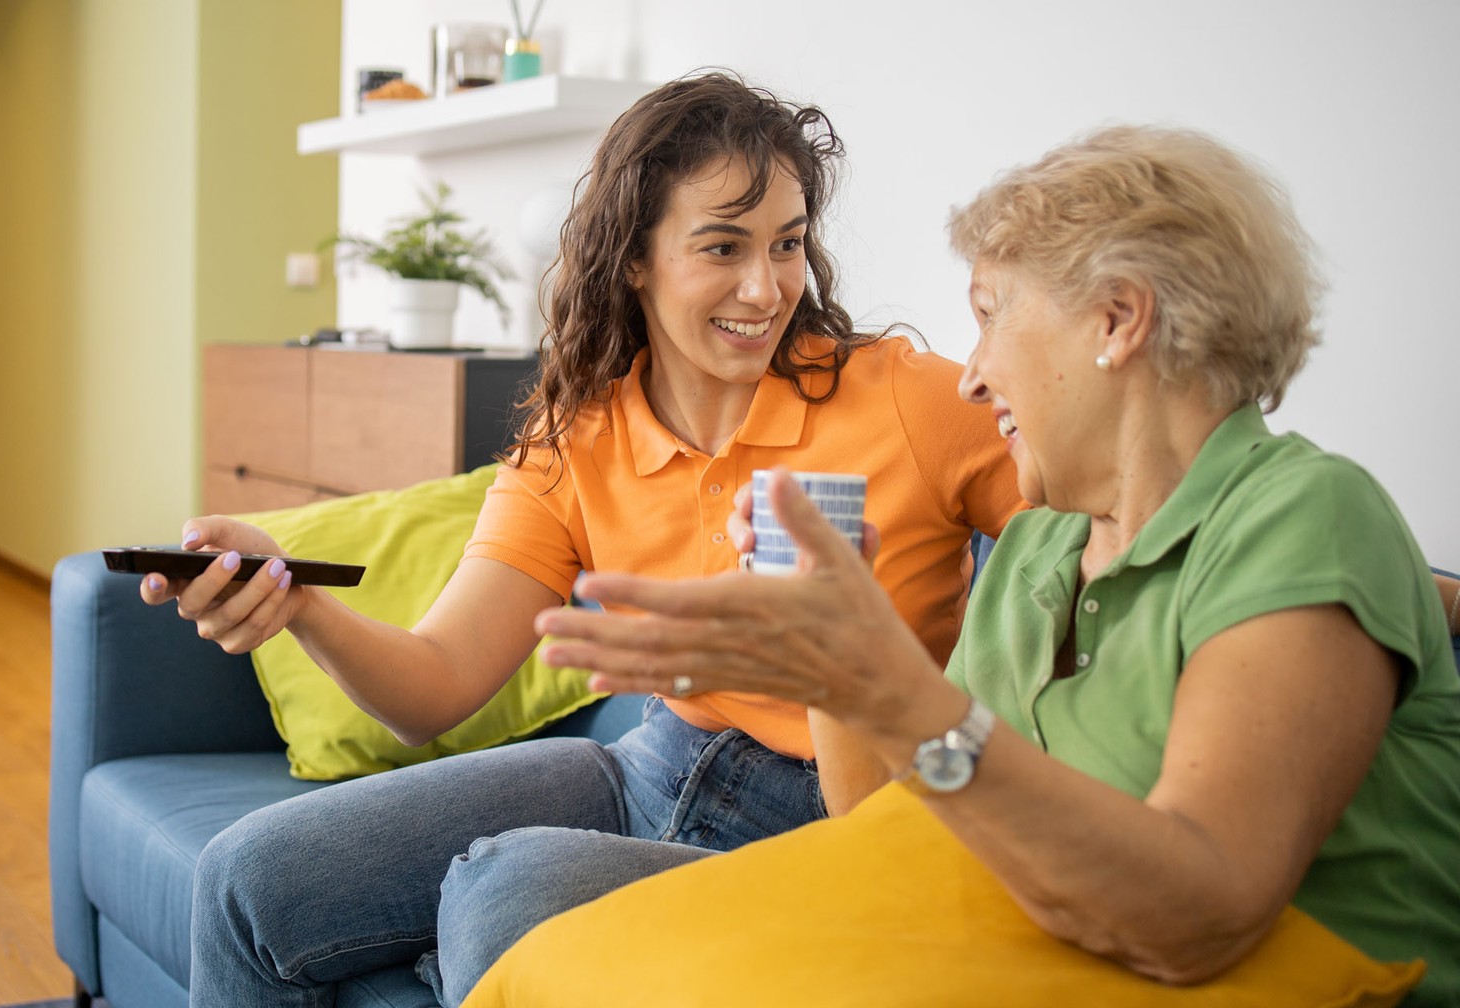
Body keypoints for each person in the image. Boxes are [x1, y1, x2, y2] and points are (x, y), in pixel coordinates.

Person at [141, 72, 1025, 1006]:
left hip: (849, 813)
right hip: (659, 765)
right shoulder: (577, 438)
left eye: (789, 244)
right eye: (722, 246)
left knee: (505, 889)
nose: (766, 288)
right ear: (634, 258)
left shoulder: (909, 400)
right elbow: (432, 687)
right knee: (246, 882)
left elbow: (1094, 523)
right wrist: (301, 605)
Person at [535, 125, 1460, 1002]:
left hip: (1271, 980)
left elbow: (1202, 915)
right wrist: (837, 664)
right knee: (560, 949)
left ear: (1118, 318)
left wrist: (902, 695)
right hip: (1035, 959)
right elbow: (894, 837)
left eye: (991, 315)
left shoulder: (1304, 513)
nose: (971, 375)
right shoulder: (1039, 548)